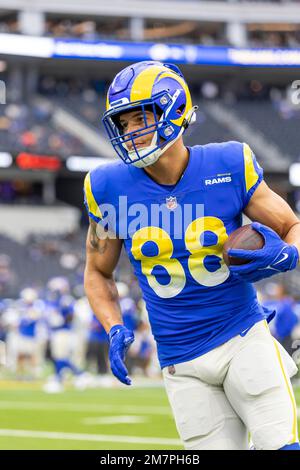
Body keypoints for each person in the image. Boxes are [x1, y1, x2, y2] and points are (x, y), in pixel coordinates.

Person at [83, 60, 300, 450]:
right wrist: (114, 324)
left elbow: (292, 226)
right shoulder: (107, 187)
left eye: (140, 118)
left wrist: (290, 255)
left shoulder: (229, 164)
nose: (130, 132)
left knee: (281, 444)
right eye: (124, 124)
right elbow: (98, 273)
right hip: (179, 359)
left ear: (173, 109)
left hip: (242, 336)